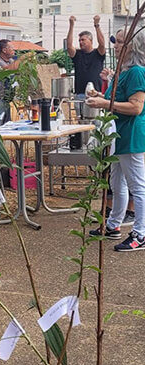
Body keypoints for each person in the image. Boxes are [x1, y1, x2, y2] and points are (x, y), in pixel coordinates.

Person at [88, 27, 145, 251]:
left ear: (135, 45)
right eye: (116, 41)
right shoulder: (124, 71)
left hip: (131, 134)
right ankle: (113, 224)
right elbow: (115, 99)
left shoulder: (137, 72)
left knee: (137, 186)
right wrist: (100, 97)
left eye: (122, 42)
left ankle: (140, 233)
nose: (116, 45)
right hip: (119, 133)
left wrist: (104, 104)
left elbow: (136, 107)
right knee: (117, 181)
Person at [0, 39, 24, 129]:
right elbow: (8, 69)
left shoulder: (10, 61)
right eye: (12, 49)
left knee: (7, 128)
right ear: (4, 50)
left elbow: (16, 70)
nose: (14, 51)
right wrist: (23, 58)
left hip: (5, 100)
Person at [67, 15, 106, 96]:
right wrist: (71, 25)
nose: (81, 42)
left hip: (97, 93)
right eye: (79, 40)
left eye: (83, 40)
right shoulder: (77, 54)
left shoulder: (98, 53)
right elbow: (69, 46)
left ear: (91, 41)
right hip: (80, 94)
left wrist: (96, 25)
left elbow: (102, 44)